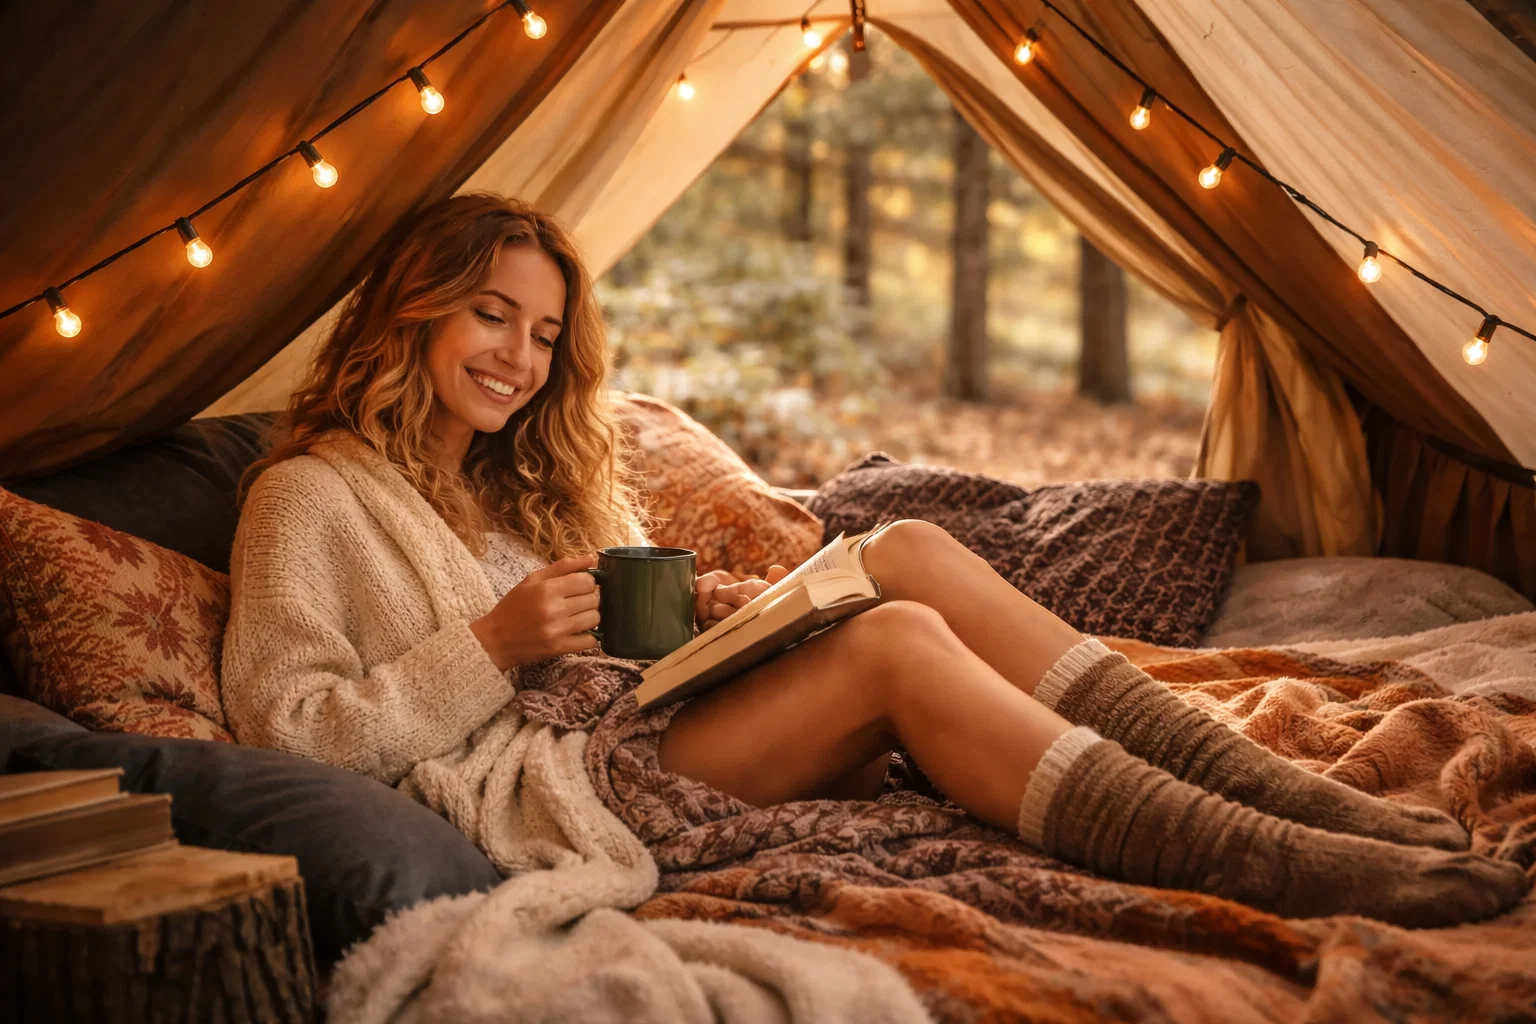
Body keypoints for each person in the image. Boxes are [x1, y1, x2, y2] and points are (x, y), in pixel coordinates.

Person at [223, 194, 1526, 929]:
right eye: (488, 315)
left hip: (640, 720)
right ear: (412, 309)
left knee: (900, 551)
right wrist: (492, 645)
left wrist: (712, 630)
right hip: (549, 792)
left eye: (544, 331)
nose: (517, 356)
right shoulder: (306, 498)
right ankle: (1269, 856)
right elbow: (284, 739)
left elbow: (621, 648)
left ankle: (1304, 803)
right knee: (898, 645)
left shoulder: (518, 473)